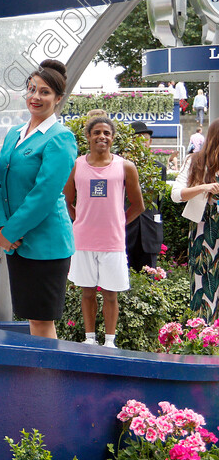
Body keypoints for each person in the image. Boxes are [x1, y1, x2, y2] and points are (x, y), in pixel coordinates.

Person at [0, 59, 77, 339]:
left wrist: (11, 231)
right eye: (31, 89)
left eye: (44, 92)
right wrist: (1, 227)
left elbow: (44, 195)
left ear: (58, 99)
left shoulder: (60, 138)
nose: (35, 97)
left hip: (45, 244)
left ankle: (48, 381)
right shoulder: (15, 134)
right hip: (16, 242)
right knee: (31, 318)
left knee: (42, 322)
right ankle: (36, 378)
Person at [64, 117, 144, 348]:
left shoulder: (125, 167)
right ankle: (89, 339)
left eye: (107, 133)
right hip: (83, 241)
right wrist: (80, 221)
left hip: (113, 242)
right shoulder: (76, 165)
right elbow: (67, 200)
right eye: (97, 132)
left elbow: (138, 206)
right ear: (88, 136)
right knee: (87, 293)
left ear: (113, 137)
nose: (102, 136)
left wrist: (118, 223)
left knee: (111, 295)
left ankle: (110, 342)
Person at [172, 118, 219, 321]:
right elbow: (176, 194)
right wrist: (203, 187)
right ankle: (205, 336)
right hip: (204, 232)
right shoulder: (195, 161)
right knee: (203, 282)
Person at [126, 121, 166, 270]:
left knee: (149, 277)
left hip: (150, 230)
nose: (142, 143)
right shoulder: (120, 166)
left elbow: (159, 201)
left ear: (150, 142)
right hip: (126, 230)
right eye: (136, 139)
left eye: (145, 139)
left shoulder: (159, 168)